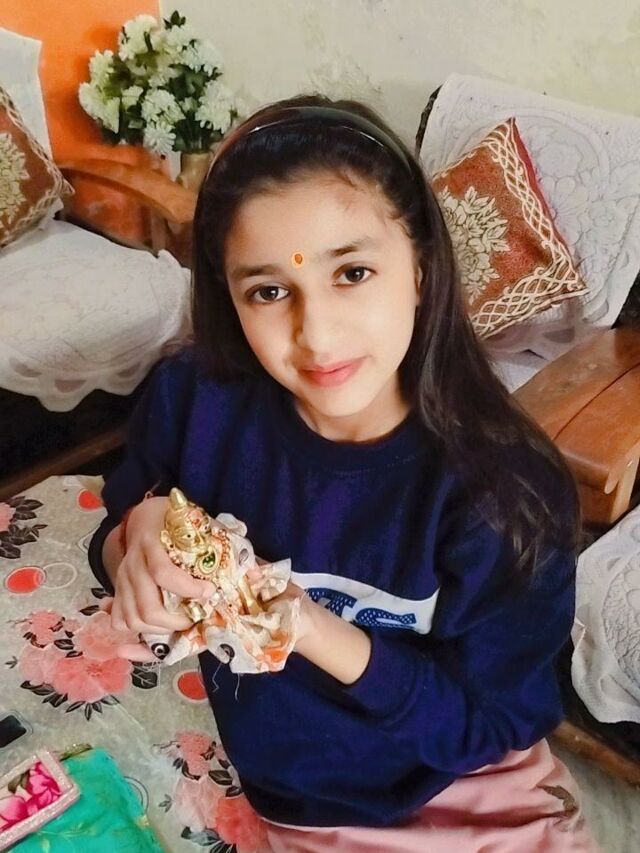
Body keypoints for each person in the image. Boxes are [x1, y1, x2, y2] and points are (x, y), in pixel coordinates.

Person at [88, 94, 597, 851]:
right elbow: (119, 516)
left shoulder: (504, 491)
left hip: (460, 781)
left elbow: (490, 722)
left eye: (352, 272)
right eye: (269, 291)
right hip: (294, 795)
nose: (317, 335)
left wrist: (307, 628)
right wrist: (136, 534)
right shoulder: (194, 401)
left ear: (421, 267)